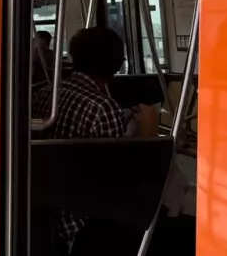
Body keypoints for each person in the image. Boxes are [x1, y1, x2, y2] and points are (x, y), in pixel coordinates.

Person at [31, 27, 158, 254]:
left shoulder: (46, 93)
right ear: (118, 64)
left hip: (46, 214)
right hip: (81, 224)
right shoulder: (103, 107)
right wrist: (148, 133)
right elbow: (122, 184)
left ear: (73, 57)